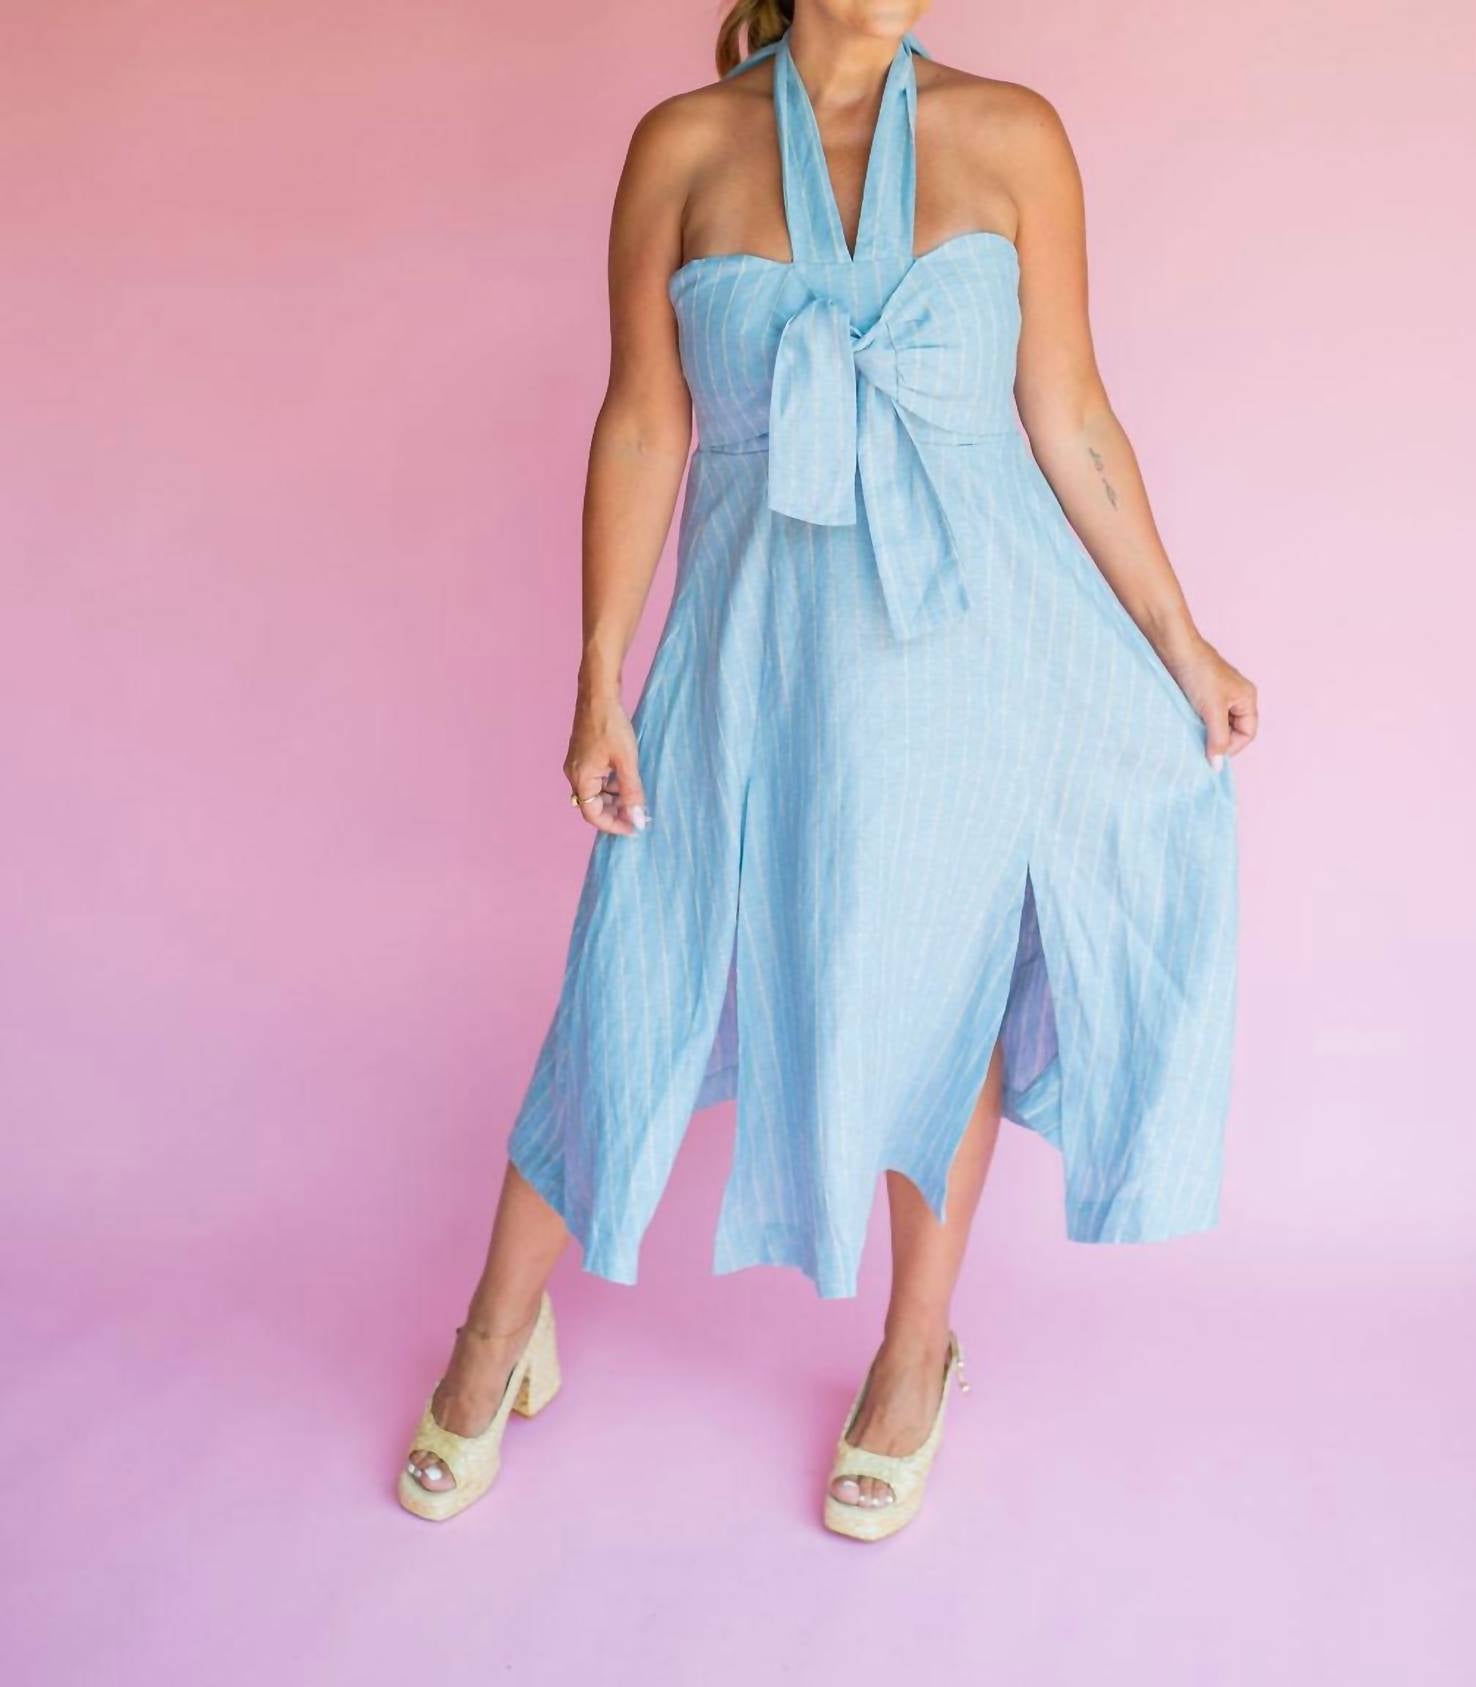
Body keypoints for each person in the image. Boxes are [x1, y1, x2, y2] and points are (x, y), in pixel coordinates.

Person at [398, 0, 1257, 1541]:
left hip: (974, 653)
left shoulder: (1011, 135)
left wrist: (1180, 640)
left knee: (949, 992)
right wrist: (599, 674)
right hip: (754, 659)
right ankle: (494, 1333)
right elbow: (644, 422)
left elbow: (1068, 410)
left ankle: (916, 1355)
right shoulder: (682, 146)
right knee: (633, 975)